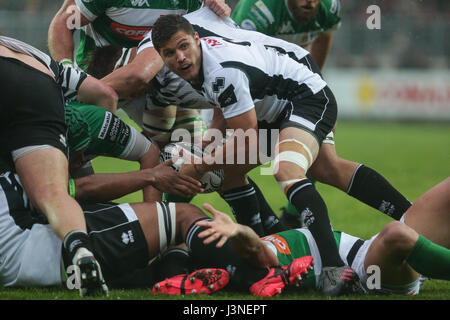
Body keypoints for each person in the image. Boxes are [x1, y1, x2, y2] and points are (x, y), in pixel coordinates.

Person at [151, 14, 357, 296]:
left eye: (183, 47)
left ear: (196, 40)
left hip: (298, 100)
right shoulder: (201, 64)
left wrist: (198, 165)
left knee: (297, 170)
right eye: (170, 53)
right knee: (233, 172)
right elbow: (226, 116)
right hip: (280, 105)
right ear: (162, 56)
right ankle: (263, 249)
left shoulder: (221, 68)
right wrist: (204, 153)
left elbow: (246, 138)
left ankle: (334, 265)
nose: (180, 57)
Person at [232, 0, 412, 228]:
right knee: (227, 166)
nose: (310, 1)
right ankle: (276, 233)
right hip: (249, 93)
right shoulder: (259, 11)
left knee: (325, 165)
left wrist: (312, 90)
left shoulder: (330, 7)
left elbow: (324, 37)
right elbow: (238, 64)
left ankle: (414, 217)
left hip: (291, 91)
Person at [0, 170, 311, 298]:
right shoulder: (36, 129)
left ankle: (172, 272)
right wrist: (153, 174)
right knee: (183, 217)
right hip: (43, 244)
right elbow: (70, 190)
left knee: (162, 236)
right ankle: (259, 274)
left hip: (30, 256)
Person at [0, 35, 117, 297]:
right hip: (38, 85)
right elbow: (105, 94)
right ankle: (80, 248)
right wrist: (80, 155)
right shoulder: (38, 57)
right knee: (53, 194)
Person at [191, 177, 450, 295]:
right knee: (396, 234)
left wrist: (223, 173)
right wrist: (237, 232)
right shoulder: (262, 262)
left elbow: (248, 195)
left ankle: (424, 264)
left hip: (368, 250)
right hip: (369, 277)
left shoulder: (272, 239)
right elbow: (253, 247)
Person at [48, 0, 231, 99]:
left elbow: (198, 35)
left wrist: (214, 9)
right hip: (103, 73)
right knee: (77, 140)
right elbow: (63, 24)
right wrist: (68, 70)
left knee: (180, 146)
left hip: (158, 73)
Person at [64, 101, 204, 202]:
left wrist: (154, 216)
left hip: (94, 123)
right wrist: (151, 176)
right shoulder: (44, 150)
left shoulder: (98, 123)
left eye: (84, 149)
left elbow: (149, 152)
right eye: (75, 153)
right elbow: (79, 189)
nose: (82, 158)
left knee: (90, 205)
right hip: (49, 174)